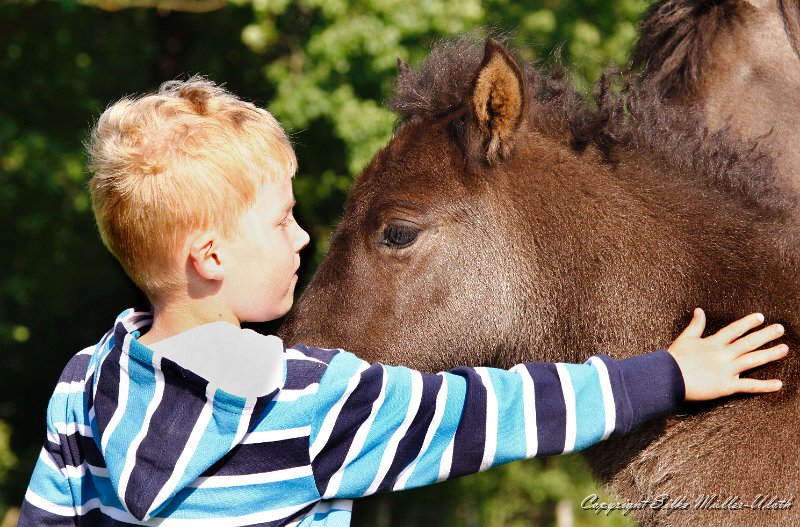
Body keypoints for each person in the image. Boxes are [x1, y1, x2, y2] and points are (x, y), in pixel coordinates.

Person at [18, 77, 788, 527]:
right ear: (210, 255)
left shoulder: (85, 382)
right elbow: (496, 410)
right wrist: (670, 375)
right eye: (281, 220)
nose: (301, 236)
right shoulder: (309, 401)